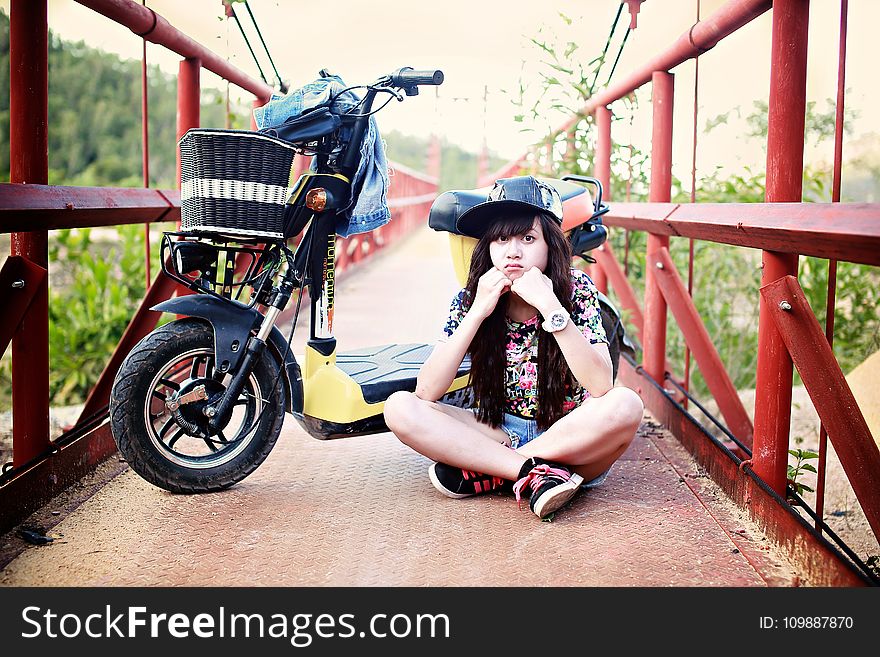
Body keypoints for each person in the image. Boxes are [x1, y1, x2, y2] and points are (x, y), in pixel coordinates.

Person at [383, 176, 644, 519]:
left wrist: (550, 306)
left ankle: (492, 471)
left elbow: (600, 385)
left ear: (551, 245)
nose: (513, 252)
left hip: (570, 435)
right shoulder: (472, 296)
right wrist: (477, 311)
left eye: (528, 238)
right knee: (400, 408)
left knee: (626, 404)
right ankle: (532, 474)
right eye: (501, 239)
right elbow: (427, 391)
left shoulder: (576, 289)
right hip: (497, 431)